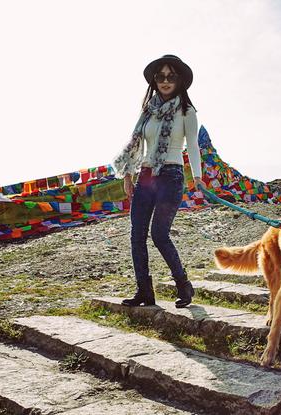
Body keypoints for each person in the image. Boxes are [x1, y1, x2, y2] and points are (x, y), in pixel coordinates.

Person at [113, 54, 205, 308]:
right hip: (145, 176)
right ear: (154, 80)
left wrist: (197, 177)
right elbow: (136, 144)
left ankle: (183, 285)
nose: (165, 81)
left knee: (159, 234)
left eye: (171, 76)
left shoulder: (187, 111)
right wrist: (128, 175)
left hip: (172, 176)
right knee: (137, 235)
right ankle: (144, 291)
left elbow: (194, 145)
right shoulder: (148, 111)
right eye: (160, 76)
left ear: (179, 81)